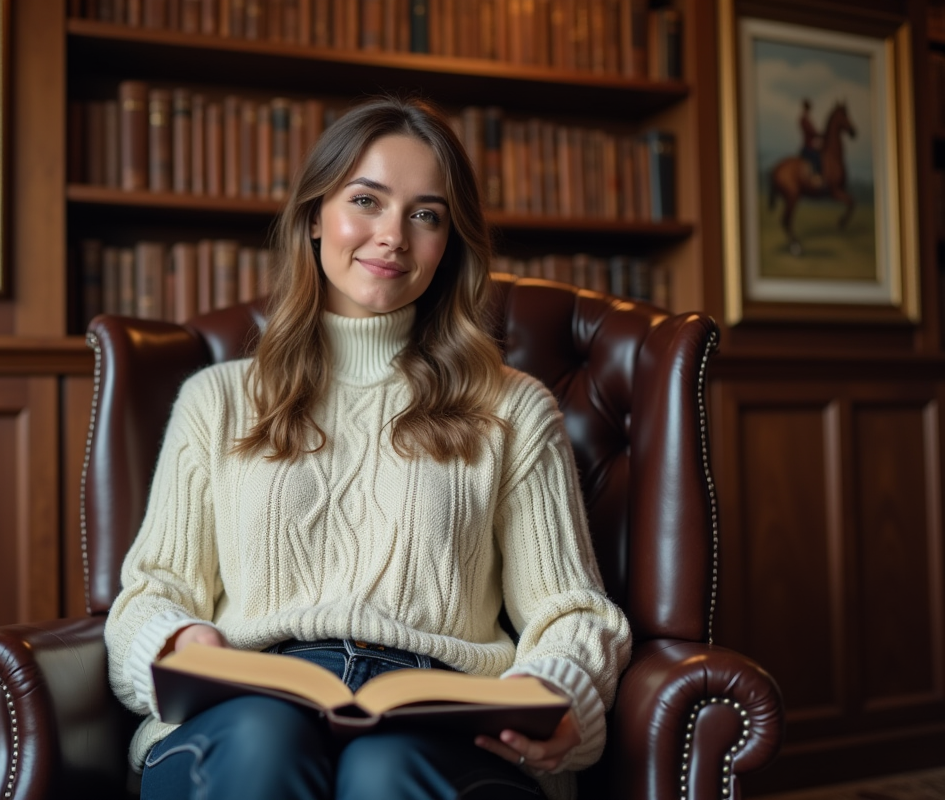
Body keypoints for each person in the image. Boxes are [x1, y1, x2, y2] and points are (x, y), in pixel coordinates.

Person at [104, 96, 632, 800]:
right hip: (247, 707)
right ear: (314, 217)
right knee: (263, 741)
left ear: (448, 244)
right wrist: (180, 647)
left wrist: (558, 690)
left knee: (385, 768)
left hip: (439, 717)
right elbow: (152, 592)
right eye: (366, 201)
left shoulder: (513, 409)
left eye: (426, 215)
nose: (393, 236)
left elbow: (571, 610)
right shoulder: (216, 400)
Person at [799, 99, 823, 185]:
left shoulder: (806, 118)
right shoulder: (804, 119)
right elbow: (811, 131)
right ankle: (816, 178)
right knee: (817, 158)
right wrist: (819, 134)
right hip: (808, 146)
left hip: (811, 145)